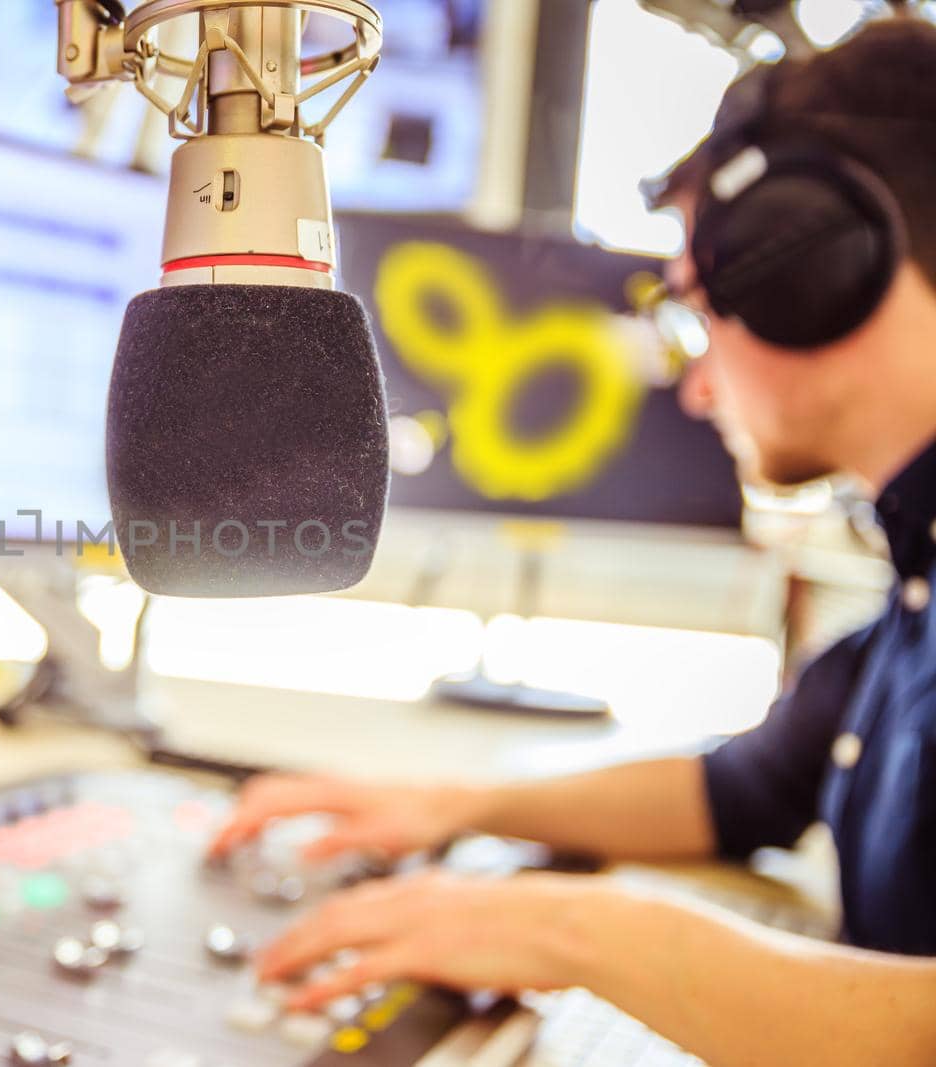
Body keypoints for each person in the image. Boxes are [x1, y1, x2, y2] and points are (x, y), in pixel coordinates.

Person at [208, 19, 936, 1067]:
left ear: (815, 266)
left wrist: (569, 932)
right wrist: (453, 807)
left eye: (695, 312)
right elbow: (736, 792)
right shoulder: (910, 597)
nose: (692, 382)